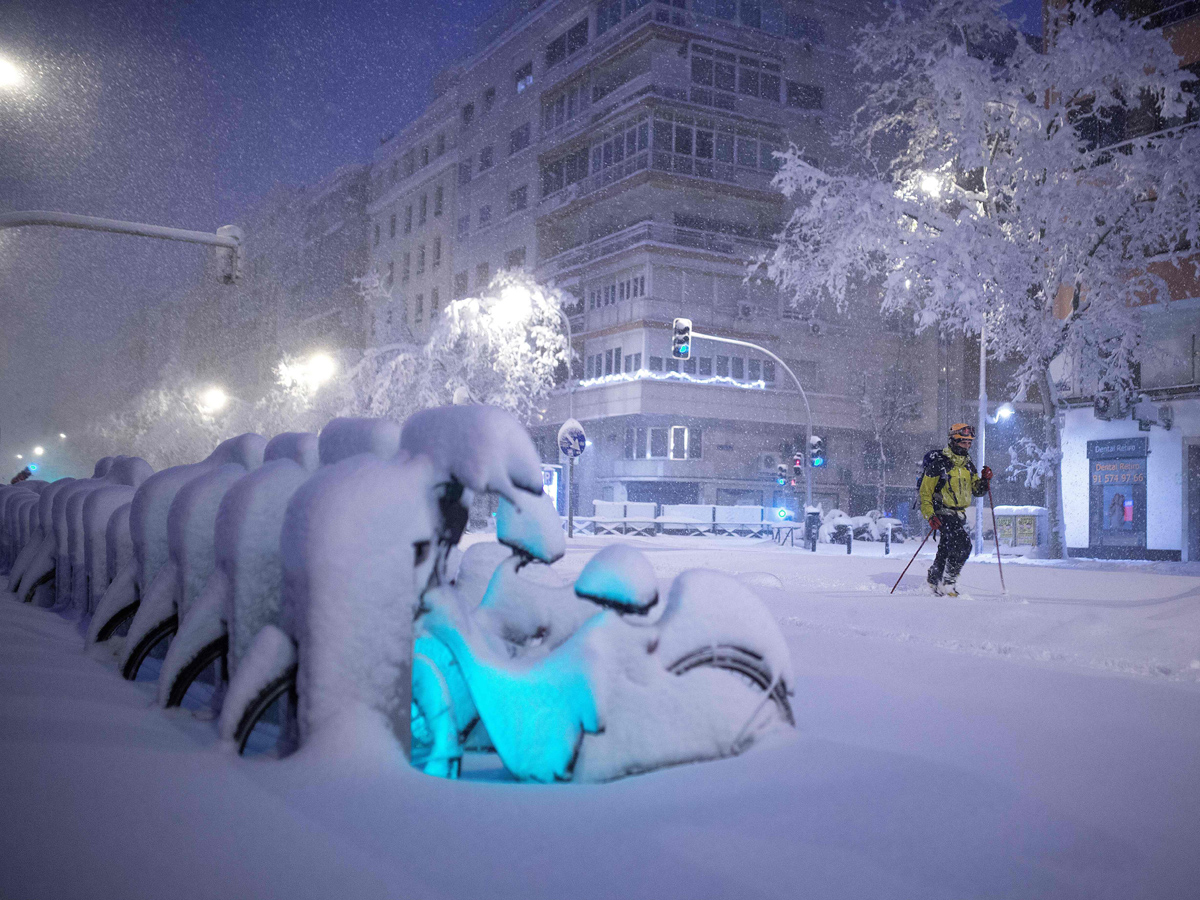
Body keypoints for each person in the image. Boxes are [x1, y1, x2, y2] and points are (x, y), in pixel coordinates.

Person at [919, 423, 992, 596]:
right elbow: (925, 493)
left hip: (960, 515)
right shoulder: (939, 464)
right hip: (942, 512)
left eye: (969, 443)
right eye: (962, 442)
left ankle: (934, 578)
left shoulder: (968, 466)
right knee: (963, 545)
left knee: (946, 548)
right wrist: (930, 515)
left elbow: (977, 491)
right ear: (953, 441)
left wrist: (985, 480)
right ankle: (949, 581)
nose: (966, 446)